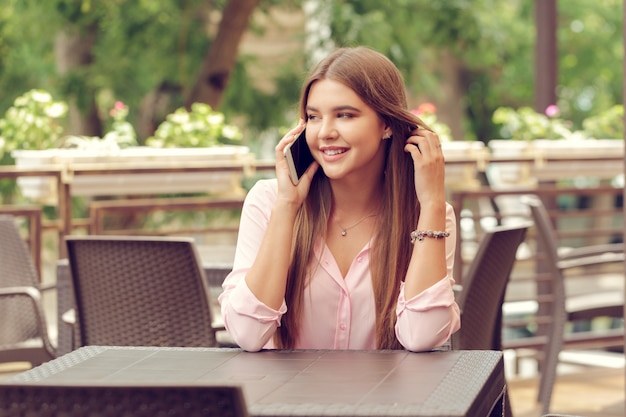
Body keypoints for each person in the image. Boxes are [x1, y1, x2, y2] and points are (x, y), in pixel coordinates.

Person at [218, 46, 460, 352]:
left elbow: (423, 336)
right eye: (313, 117)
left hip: (386, 399)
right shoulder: (268, 202)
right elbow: (247, 334)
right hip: (285, 398)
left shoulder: (427, 215)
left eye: (345, 115)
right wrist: (287, 207)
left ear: (386, 123)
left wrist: (433, 203)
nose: (325, 132)